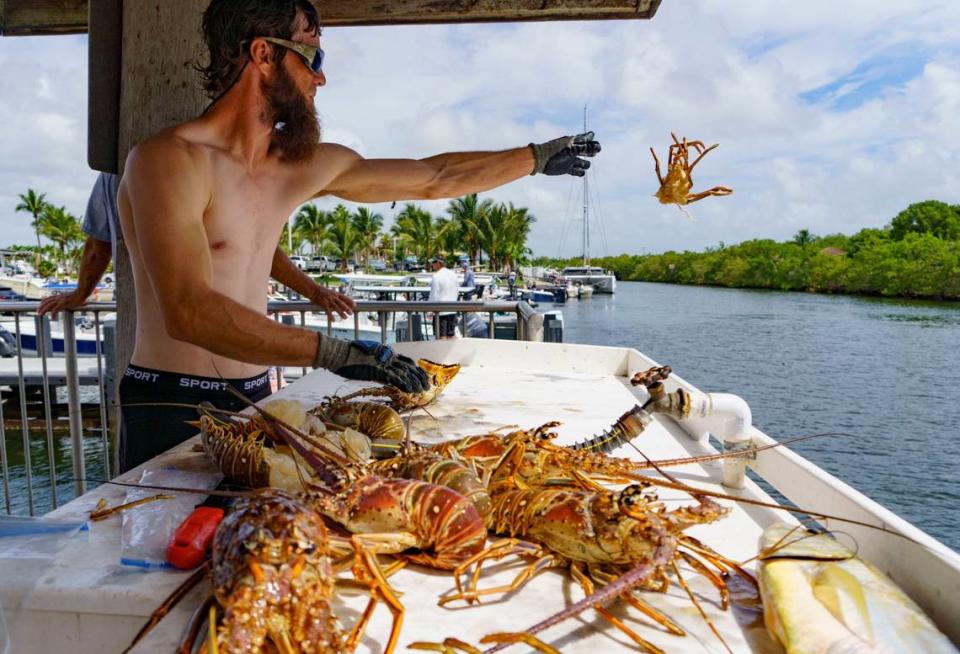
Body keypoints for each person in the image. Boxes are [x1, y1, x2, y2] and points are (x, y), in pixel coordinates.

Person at [115, 0, 601, 472]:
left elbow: (435, 176)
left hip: (258, 397)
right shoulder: (168, 160)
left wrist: (535, 158)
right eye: (312, 57)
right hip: (170, 401)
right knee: (158, 550)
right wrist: (335, 353)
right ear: (263, 54)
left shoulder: (296, 166)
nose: (320, 78)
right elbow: (188, 310)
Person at [38, 172, 118, 317]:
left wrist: (80, 294)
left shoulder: (110, 174)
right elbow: (97, 250)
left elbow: (98, 250)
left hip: (140, 306)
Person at [429, 258, 459, 339]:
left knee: (441, 337)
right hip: (452, 309)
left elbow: (434, 295)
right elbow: (457, 291)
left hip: (441, 312)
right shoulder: (453, 274)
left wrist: (429, 311)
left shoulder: (436, 276)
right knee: (451, 336)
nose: (432, 264)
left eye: (433, 262)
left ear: (438, 263)